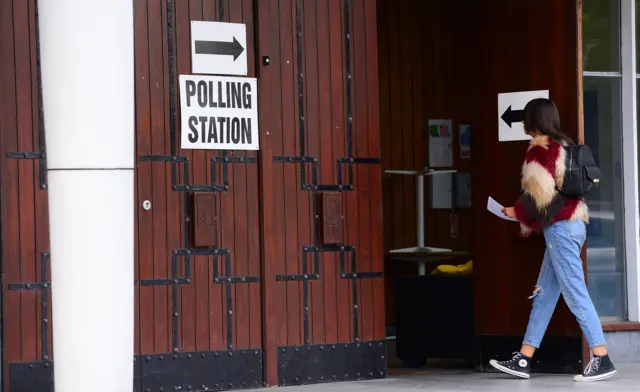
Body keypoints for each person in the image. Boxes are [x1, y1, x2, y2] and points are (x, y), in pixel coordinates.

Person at [488, 98, 616, 382]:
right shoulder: (566, 145)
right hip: (572, 225)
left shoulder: (541, 149)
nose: (522, 121)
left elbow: (539, 196)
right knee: (545, 295)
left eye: (525, 117)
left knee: (575, 293)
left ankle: (601, 356)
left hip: (560, 229)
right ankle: (524, 357)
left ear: (534, 120)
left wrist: (514, 212)